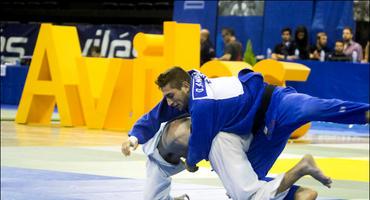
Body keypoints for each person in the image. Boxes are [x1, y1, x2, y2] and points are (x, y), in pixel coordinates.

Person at [122, 67, 369, 199]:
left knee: (314, 107)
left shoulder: (202, 102)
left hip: (275, 103)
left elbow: (200, 140)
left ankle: (365, 114)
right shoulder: (188, 91)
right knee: (246, 188)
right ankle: (298, 194)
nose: (169, 102)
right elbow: (155, 116)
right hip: (260, 135)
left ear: (184, 86)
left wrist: (192, 163)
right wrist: (133, 138)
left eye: (171, 96)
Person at [138, 115, 330, 200]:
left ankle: (301, 168)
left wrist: (192, 160)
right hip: (169, 144)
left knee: (244, 194)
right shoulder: (177, 130)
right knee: (244, 192)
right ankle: (300, 170)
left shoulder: (178, 134)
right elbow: (308, 194)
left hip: (225, 138)